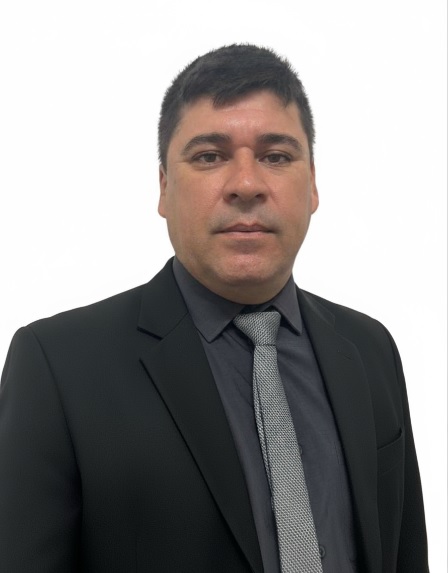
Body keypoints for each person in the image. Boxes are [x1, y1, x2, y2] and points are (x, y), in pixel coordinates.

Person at [0, 44, 429, 573]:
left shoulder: (369, 349)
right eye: (209, 156)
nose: (246, 185)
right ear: (163, 187)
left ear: (313, 184)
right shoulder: (58, 365)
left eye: (276, 156)